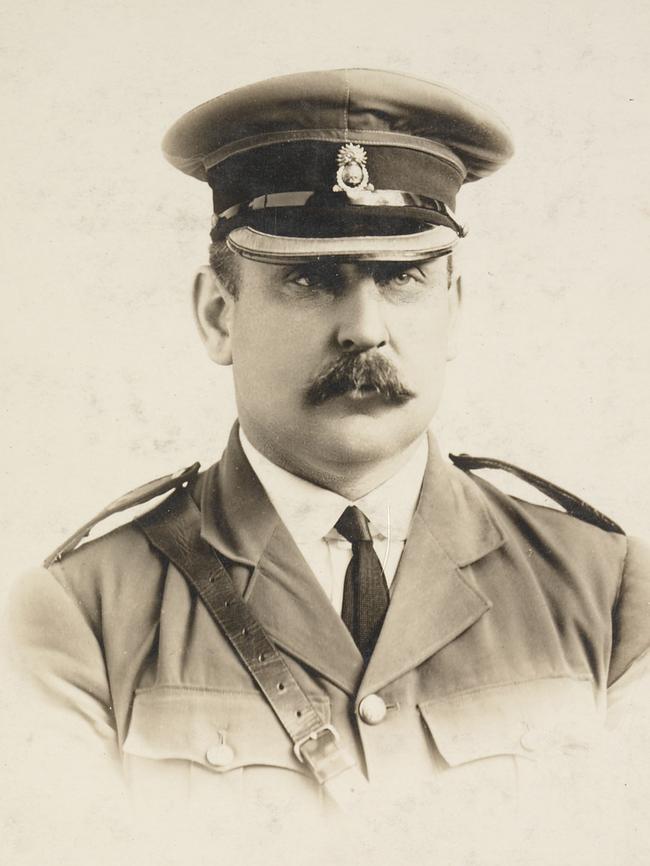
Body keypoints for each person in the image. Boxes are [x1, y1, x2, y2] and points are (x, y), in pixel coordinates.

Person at [7, 68, 650, 863]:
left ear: (455, 310)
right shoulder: (80, 618)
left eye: (403, 277)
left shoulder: (607, 592)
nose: (365, 329)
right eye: (311, 279)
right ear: (218, 316)